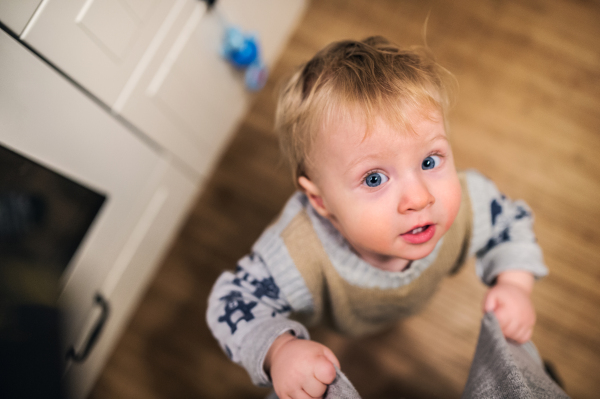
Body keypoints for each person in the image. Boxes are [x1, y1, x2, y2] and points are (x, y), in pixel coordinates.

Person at [206, 36, 548, 399]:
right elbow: (232, 302)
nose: (420, 198)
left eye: (429, 161)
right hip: (346, 320)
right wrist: (279, 351)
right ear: (320, 201)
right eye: (374, 178)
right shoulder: (295, 252)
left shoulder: (471, 204)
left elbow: (510, 224)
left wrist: (514, 283)